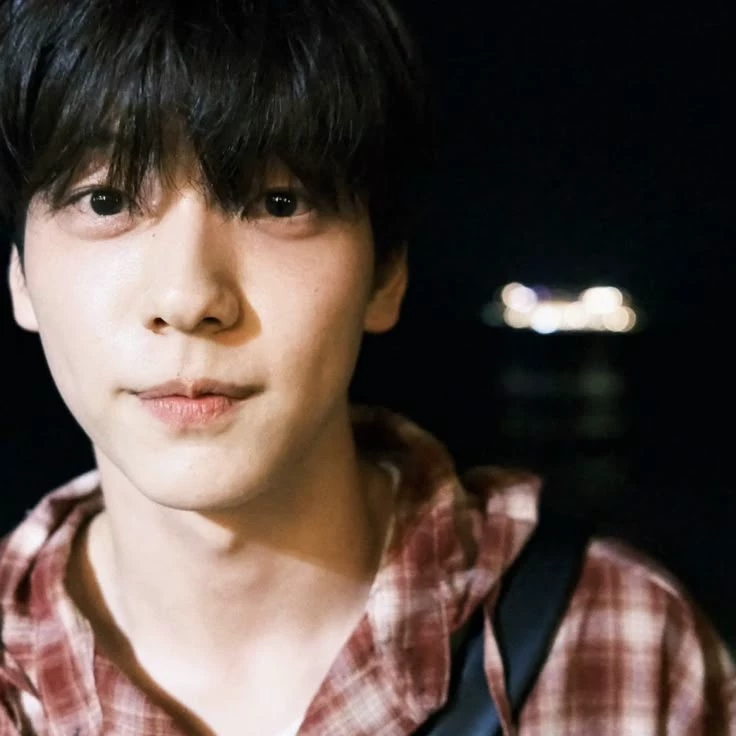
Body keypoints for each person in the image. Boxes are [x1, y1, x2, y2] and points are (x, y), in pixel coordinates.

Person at [0, 1, 733, 734]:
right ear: (21, 276)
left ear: (386, 272)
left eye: (278, 202)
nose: (189, 299)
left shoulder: (624, 648)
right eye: (106, 200)